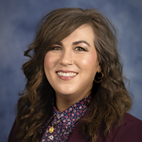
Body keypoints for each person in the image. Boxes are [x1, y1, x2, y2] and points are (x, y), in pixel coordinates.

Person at [8, 7, 142, 142]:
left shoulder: (131, 132)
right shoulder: (24, 123)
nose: (65, 60)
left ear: (100, 65)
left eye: (80, 48)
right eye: (55, 47)